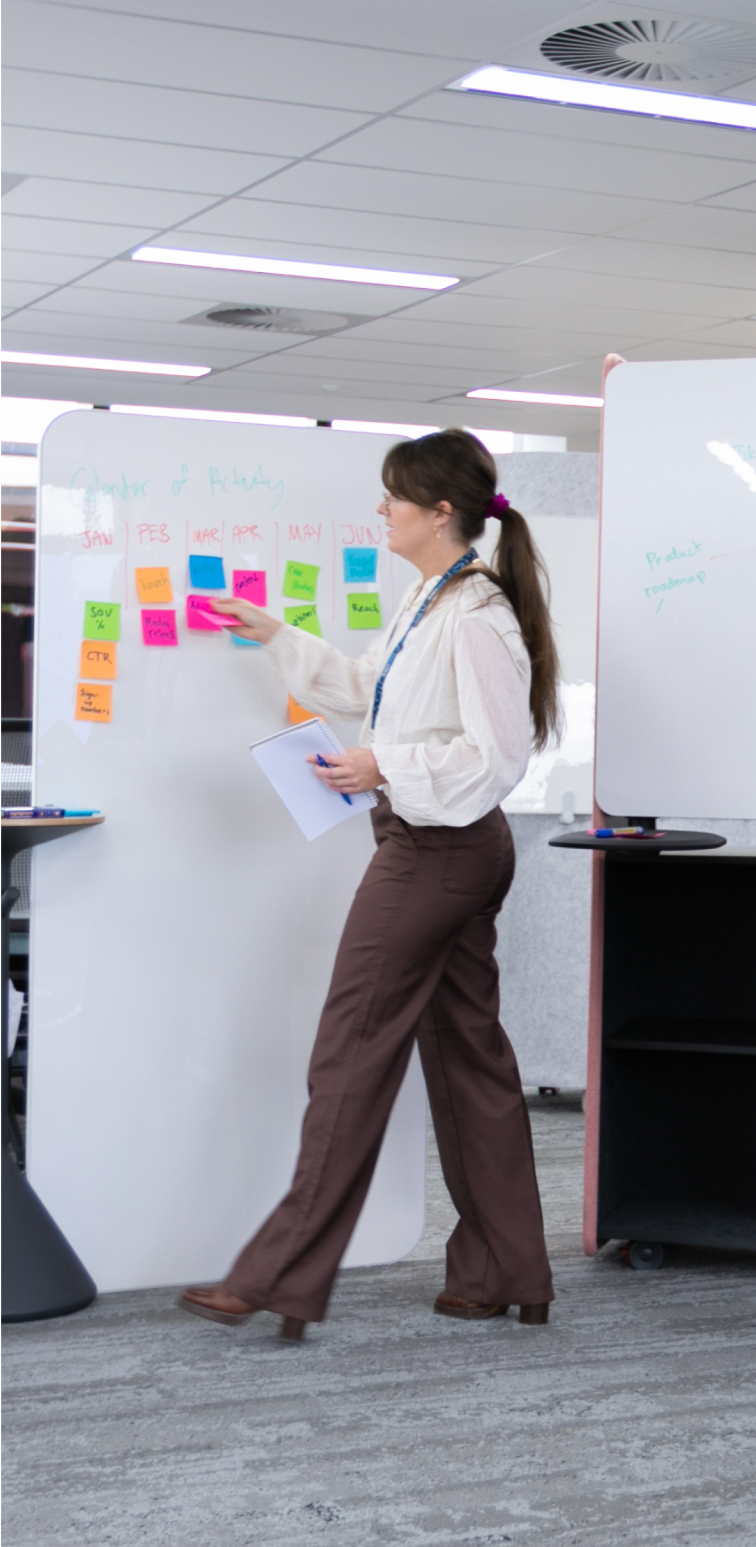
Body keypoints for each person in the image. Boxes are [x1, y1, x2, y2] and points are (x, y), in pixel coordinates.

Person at [177, 429, 560, 1339]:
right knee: (470, 1061)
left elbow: (495, 756)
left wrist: (378, 766)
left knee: (349, 1051)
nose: (379, 511)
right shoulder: (431, 598)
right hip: (440, 845)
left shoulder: (479, 616)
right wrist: (274, 632)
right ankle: (508, 1270)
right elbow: (369, 686)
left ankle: (277, 1273)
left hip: (440, 852)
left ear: (439, 512)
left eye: (392, 497)